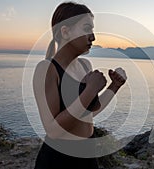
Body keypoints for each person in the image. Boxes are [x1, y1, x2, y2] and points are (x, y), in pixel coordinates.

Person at [33, 2, 127, 169]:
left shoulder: (85, 66)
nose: (93, 36)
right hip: (58, 159)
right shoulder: (47, 69)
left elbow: (88, 114)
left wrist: (114, 87)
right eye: (86, 28)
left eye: (92, 30)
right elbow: (53, 130)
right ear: (65, 31)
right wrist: (90, 89)